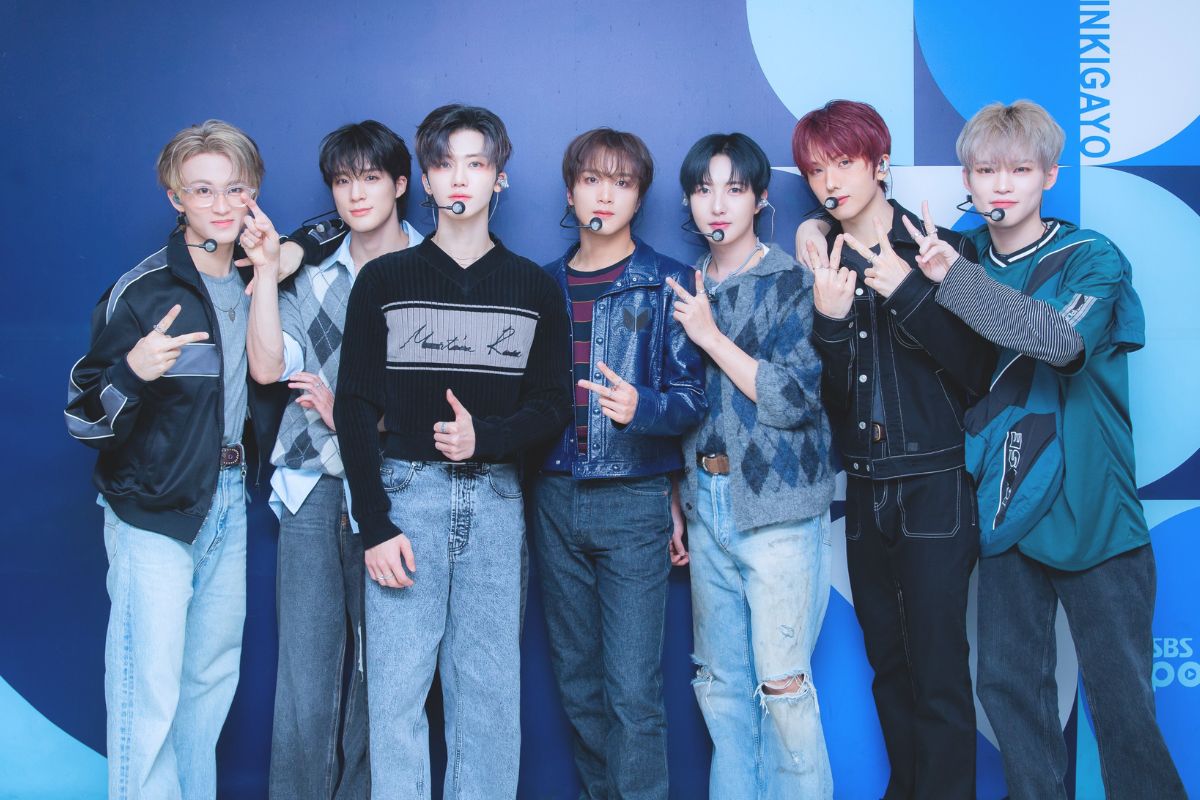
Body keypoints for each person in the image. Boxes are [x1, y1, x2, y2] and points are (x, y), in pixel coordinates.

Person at [895, 99, 1185, 800]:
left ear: (1049, 175)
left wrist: (953, 282)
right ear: (967, 177)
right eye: (986, 170)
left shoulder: (1090, 257)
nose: (1002, 185)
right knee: (1007, 690)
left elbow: (1059, 341)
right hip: (1006, 508)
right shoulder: (958, 254)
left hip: (1093, 509)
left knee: (1123, 708)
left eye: (1020, 170)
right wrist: (817, 232)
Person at [333, 103, 572, 799]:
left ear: (500, 177)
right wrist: (374, 524)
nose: (459, 178)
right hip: (405, 500)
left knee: (489, 702)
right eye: (443, 164)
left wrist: (485, 437)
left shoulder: (534, 288)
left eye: (476, 163)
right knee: (396, 700)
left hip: (495, 501)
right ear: (425, 180)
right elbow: (353, 406)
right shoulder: (384, 280)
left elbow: (552, 405)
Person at [65, 119, 282, 799]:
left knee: (208, 685)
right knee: (148, 690)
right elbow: (82, 418)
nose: (220, 204)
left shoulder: (258, 280)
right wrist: (131, 371)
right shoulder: (144, 290)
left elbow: (268, 374)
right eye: (202, 190)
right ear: (175, 198)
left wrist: (272, 267)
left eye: (235, 189)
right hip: (152, 510)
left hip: (228, 500)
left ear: (254, 193)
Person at [792, 100, 993, 799]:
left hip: (936, 483)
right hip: (865, 487)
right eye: (816, 170)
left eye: (844, 163)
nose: (830, 182)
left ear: (880, 165)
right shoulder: (823, 261)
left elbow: (977, 372)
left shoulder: (944, 249)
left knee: (938, 671)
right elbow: (833, 403)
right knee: (889, 668)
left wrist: (909, 292)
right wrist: (829, 322)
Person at [246, 120, 423, 800]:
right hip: (314, 482)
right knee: (307, 674)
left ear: (400, 184)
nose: (356, 193)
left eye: (371, 177)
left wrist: (353, 413)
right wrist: (268, 272)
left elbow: (449, 391)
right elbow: (270, 367)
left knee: (387, 677)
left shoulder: (434, 268)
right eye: (343, 181)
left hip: (401, 483)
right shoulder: (310, 272)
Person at [531, 127, 706, 800]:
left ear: (639, 197)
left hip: (633, 499)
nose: (605, 195)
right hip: (552, 496)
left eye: (622, 182)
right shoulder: (540, 285)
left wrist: (644, 407)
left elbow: (693, 398)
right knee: (578, 686)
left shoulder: (668, 281)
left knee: (633, 693)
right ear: (570, 192)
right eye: (591, 180)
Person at [667, 132, 836, 800]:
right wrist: (676, 498)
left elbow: (794, 398)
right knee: (722, 690)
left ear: (761, 199)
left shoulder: (791, 283)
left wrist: (710, 336)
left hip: (778, 509)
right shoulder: (683, 285)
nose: (717, 204)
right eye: (703, 189)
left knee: (783, 689)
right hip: (705, 502)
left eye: (734, 189)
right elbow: (679, 406)